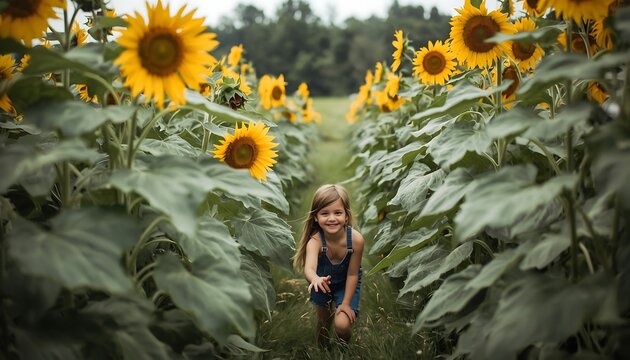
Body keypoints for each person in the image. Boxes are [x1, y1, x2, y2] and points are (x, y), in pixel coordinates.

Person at [293, 184, 364, 348]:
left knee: (342, 325)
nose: (332, 218)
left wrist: (346, 303)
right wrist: (316, 279)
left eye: (337, 213)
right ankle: (323, 349)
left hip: (346, 284)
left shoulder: (356, 240)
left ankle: (344, 349)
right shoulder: (315, 241)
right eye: (325, 213)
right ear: (316, 217)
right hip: (322, 284)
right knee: (324, 322)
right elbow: (309, 269)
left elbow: (353, 274)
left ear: (346, 216)